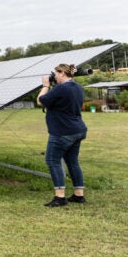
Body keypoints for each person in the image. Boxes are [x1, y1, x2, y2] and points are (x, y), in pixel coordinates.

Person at [36, 63, 88, 207]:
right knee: (73, 162)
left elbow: (40, 101)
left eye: (56, 74)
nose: (55, 76)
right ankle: (79, 195)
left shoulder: (60, 88)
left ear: (62, 73)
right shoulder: (77, 87)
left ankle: (60, 197)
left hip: (63, 131)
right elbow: (60, 102)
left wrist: (45, 85)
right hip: (78, 130)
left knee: (52, 160)